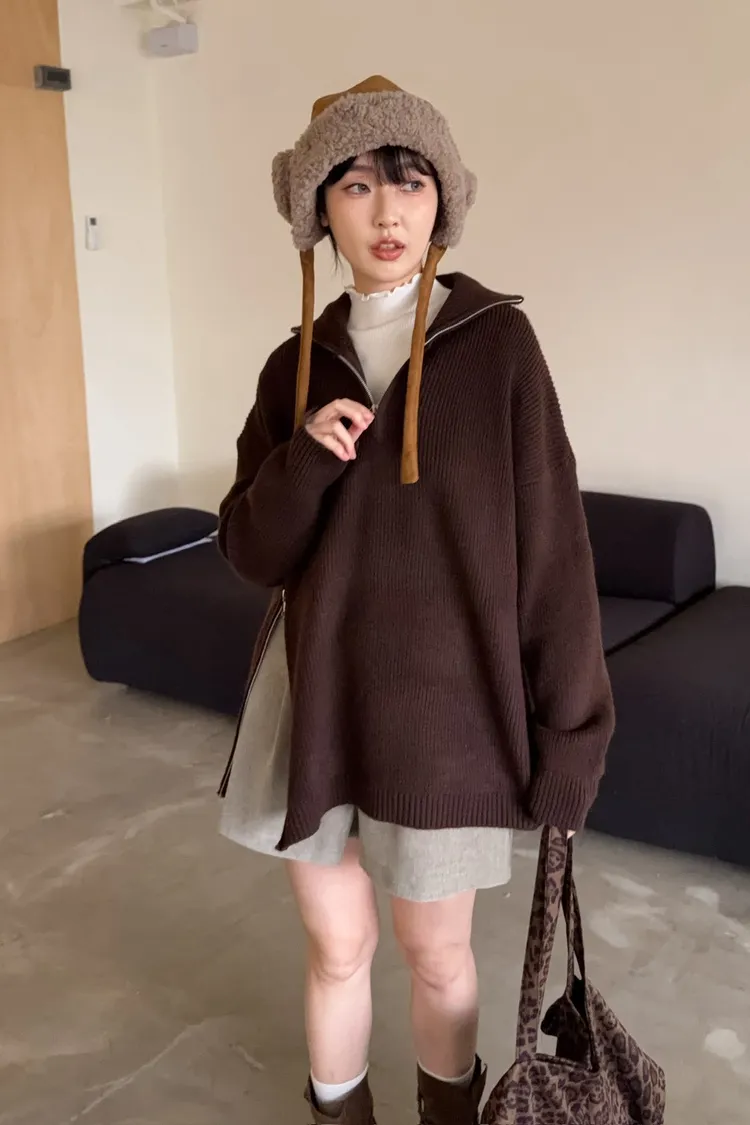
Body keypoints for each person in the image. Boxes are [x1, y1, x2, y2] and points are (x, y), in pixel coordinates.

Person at [216, 75, 614, 1125]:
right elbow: (250, 550)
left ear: (444, 199)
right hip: (316, 700)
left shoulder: (500, 350)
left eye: (410, 179)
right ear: (319, 210)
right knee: (337, 948)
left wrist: (573, 737)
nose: (387, 210)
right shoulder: (291, 368)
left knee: (436, 956)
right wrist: (304, 460)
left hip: (449, 715)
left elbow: (554, 556)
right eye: (355, 184)